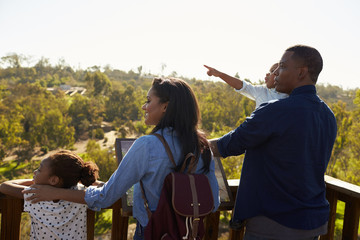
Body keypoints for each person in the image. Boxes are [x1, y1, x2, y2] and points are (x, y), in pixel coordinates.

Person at [23, 77, 220, 240]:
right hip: (190, 233)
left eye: (149, 100)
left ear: (165, 107)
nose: (144, 106)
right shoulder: (202, 147)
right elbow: (214, 202)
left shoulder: (147, 146)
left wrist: (52, 192)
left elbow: (105, 197)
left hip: (154, 233)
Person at [210, 45, 337, 240]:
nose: (276, 72)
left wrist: (186, 142)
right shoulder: (328, 115)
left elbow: (226, 145)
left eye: (283, 67)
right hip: (312, 222)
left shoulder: (275, 110)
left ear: (301, 72)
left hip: (274, 222)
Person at [0, 150, 99, 240]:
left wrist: (32, 181)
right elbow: (103, 187)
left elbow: (4, 186)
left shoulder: (36, 195)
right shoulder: (81, 194)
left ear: (53, 180)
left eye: (39, 170)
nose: (35, 172)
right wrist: (80, 180)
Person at [204, 63, 288, 109]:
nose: (267, 74)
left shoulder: (293, 95)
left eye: (272, 71)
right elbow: (241, 85)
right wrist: (220, 74)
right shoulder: (262, 91)